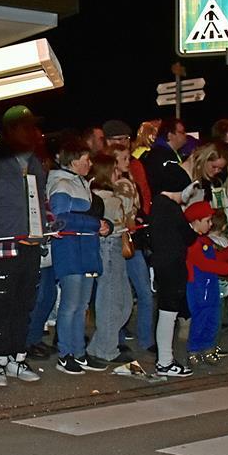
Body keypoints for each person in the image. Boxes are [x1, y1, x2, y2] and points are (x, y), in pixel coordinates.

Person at [0, 104, 46, 386]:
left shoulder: (36, 164)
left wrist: (50, 227)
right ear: (9, 131)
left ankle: (17, 359)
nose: (30, 132)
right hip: (2, 247)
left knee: (23, 305)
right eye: (24, 126)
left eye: (32, 126)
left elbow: (42, 203)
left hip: (31, 246)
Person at [47, 138, 111, 374]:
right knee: (70, 305)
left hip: (85, 248)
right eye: (86, 159)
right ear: (74, 162)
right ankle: (65, 354)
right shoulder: (62, 183)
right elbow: (59, 217)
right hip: (70, 250)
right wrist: (96, 224)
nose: (90, 162)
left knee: (81, 305)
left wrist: (104, 225)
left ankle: (79, 352)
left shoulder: (78, 183)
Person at [148, 161, 198, 377]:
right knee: (168, 314)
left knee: (165, 313)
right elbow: (187, 237)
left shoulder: (158, 205)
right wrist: (195, 228)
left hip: (162, 264)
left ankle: (165, 360)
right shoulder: (171, 208)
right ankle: (165, 362)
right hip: (171, 266)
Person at [85, 154, 135, 364]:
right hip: (109, 247)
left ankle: (100, 344)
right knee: (112, 300)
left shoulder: (102, 196)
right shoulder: (107, 198)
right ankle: (106, 348)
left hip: (113, 247)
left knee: (120, 301)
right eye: (114, 169)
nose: (119, 174)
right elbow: (127, 218)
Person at [183, 201, 228, 366]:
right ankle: (194, 348)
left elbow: (216, 258)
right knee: (200, 317)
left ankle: (208, 346)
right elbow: (206, 264)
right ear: (196, 221)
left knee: (213, 316)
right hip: (197, 285)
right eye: (207, 221)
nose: (210, 225)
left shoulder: (205, 241)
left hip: (209, 284)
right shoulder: (193, 243)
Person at [112, 142, 154, 352]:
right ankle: (119, 338)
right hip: (121, 242)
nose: (129, 162)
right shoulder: (117, 185)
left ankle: (146, 339)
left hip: (133, 242)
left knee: (143, 291)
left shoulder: (130, 181)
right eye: (125, 158)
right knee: (122, 292)